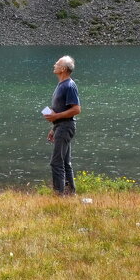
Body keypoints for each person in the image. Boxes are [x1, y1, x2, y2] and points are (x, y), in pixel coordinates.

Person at [44, 54, 81, 195]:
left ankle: (59, 195)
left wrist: (55, 116)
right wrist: (54, 127)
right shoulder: (61, 85)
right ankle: (70, 193)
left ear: (63, 69)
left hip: (65, 127)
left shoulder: (69, 86)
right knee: (65, 162)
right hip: (61, 127)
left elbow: (76, 109)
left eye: (57, 64)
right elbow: (63, 110)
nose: (55, 65)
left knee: (56, 162)